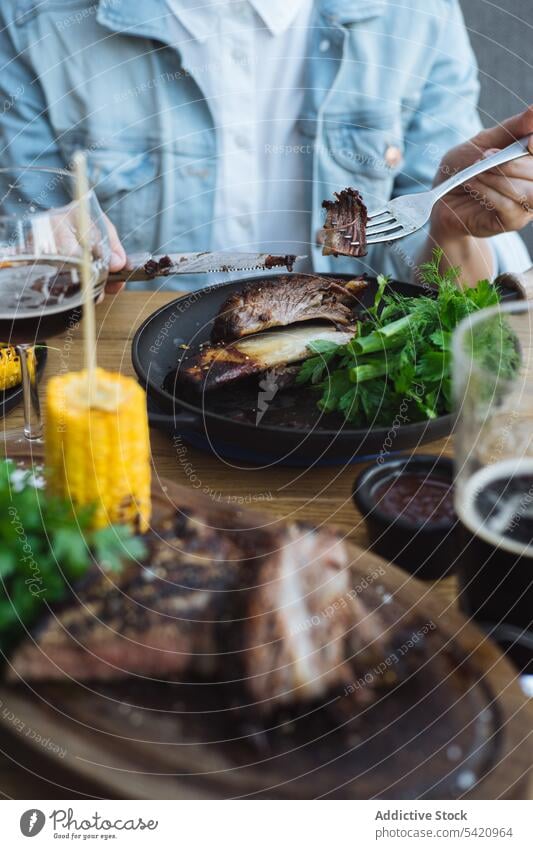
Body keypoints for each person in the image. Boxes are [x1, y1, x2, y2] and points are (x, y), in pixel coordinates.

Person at [0, 0, 531, 294]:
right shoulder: (33, 22)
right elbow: (22, 256)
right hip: (134, 401)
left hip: (352, 416)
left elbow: (457, 297)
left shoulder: (415, 16)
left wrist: (452, 228)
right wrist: (53, 263)